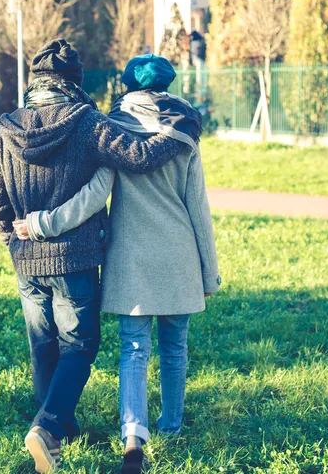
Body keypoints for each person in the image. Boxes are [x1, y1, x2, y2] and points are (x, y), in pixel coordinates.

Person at [13, 54, 221, 474]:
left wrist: (41, 223)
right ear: (166, 86)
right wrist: (208, 272)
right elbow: (199, 209)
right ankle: (172, 426)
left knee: (133, 349)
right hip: (179, 256)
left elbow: (92, 196)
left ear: (126, 86)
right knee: (174, 347)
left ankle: (132, 435)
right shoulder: (184, 134)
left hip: (130, 262)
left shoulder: (112, 132)